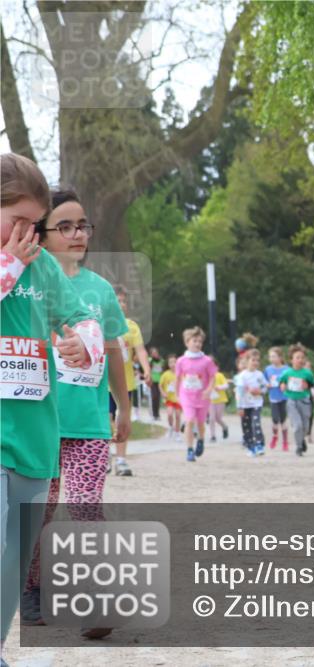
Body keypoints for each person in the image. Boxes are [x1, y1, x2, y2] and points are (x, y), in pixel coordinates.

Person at [1, 153, 103, 661]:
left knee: (16, 560)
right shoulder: (19, 261)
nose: (28, 233)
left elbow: (83, 315)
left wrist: (82, 343)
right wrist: (9, 265)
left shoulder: (43, 265)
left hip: (36, 437)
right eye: (16, 221)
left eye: (33, 223)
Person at [20, 188, 131, 636]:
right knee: (39, 515)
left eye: (82, 224)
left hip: (86, 423)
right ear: (41, 235)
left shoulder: (100, 290)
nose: (77, 233)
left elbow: (113, 350)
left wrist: (122, 405)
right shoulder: (25, 283)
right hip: (40, 422)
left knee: (85, 506)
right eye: (64, 226)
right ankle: (32, 588)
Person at [112, 287, 150, 476]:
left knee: (122, 420)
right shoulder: (101, 324)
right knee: (105, 420)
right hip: (103, 384)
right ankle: (104, 457)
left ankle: (121, 460)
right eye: (117, 300)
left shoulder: (131, 326)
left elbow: (140, 350)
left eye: (124, 301)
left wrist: (146, 369)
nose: (122, 304)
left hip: (125, 382)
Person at [175, 326, 217, 462]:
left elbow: (212, 377)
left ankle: (201, 439)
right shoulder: (181, 361)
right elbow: (177, 378)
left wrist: (209, 389)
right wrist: (177, 394)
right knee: (189, 421)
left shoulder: (207, 361)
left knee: (200, 423)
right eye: (194, 341)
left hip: (202, 396)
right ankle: (189, 450)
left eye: (200, 341)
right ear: (187, 342)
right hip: (186, 396)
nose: (197, 343)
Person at [279, 344, 314, 457]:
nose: (300, 360)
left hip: (304, 401)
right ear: (292, 360)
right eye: (297, 357)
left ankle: (302, 439)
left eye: (302, 357)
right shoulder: (287, 373)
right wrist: (282, 386)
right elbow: (281, 383)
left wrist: (307, 385)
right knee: (297, 426)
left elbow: (312, 384)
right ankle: (299, 447)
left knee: (305, 427)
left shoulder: (307, 373)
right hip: (291, 401)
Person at [234, 349, 268, 457]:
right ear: (247, 360)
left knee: (256, 423)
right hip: (244, 405)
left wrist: (261, 391)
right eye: (253, 360)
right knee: (246, 427)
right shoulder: (242, 376)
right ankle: (250, 446)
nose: (256, 363)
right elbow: (239, 392)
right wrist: (239, 407)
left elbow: (265, 386)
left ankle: (259, 445)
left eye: (257, 360)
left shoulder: (260, 374)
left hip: (256, 404)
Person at [264, 346, 290, 451]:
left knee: (283, 420)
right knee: (275, 420)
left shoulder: (287, 369)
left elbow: (291, 381)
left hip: (284, 397)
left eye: (274, 356)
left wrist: (285, 385)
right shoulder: (268, 369)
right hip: (273, 397)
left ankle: (285, 441)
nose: (272, 359)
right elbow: (263, 381)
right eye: (270, 357)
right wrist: (267, 385)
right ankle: (275, 437)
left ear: (280, 357)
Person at [159, 353, 182, 440]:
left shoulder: (180, 374)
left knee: (178, 416)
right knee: (169, 414)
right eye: (170, 362)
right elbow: (160, 385)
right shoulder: (165, 374)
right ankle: (170, 427)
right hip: (169, 399)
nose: (173, 364)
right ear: (168, 364)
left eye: (174, 362)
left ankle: (177, 432)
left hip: (178, 399)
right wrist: (163, 393)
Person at [208, 363, 230, 442]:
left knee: (218, 418)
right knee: (211, 418)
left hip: (220, 400)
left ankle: (225, 427)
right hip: (211, 400)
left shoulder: (220, 375)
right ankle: (212, 436)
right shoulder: (207, 376)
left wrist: (219, 387)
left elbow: (226, 385)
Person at [148, 346, 165, 421]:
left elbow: (163, 371)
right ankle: (154, 414)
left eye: (156, 352)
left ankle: (157, 414)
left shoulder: (162, 361)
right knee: (154, 397)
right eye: (153, 353)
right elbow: (148, 370)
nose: (155, 354)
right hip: (152, 381)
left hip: (160, 381)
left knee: (158, 398)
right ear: (151, 354)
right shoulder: (150, 360)